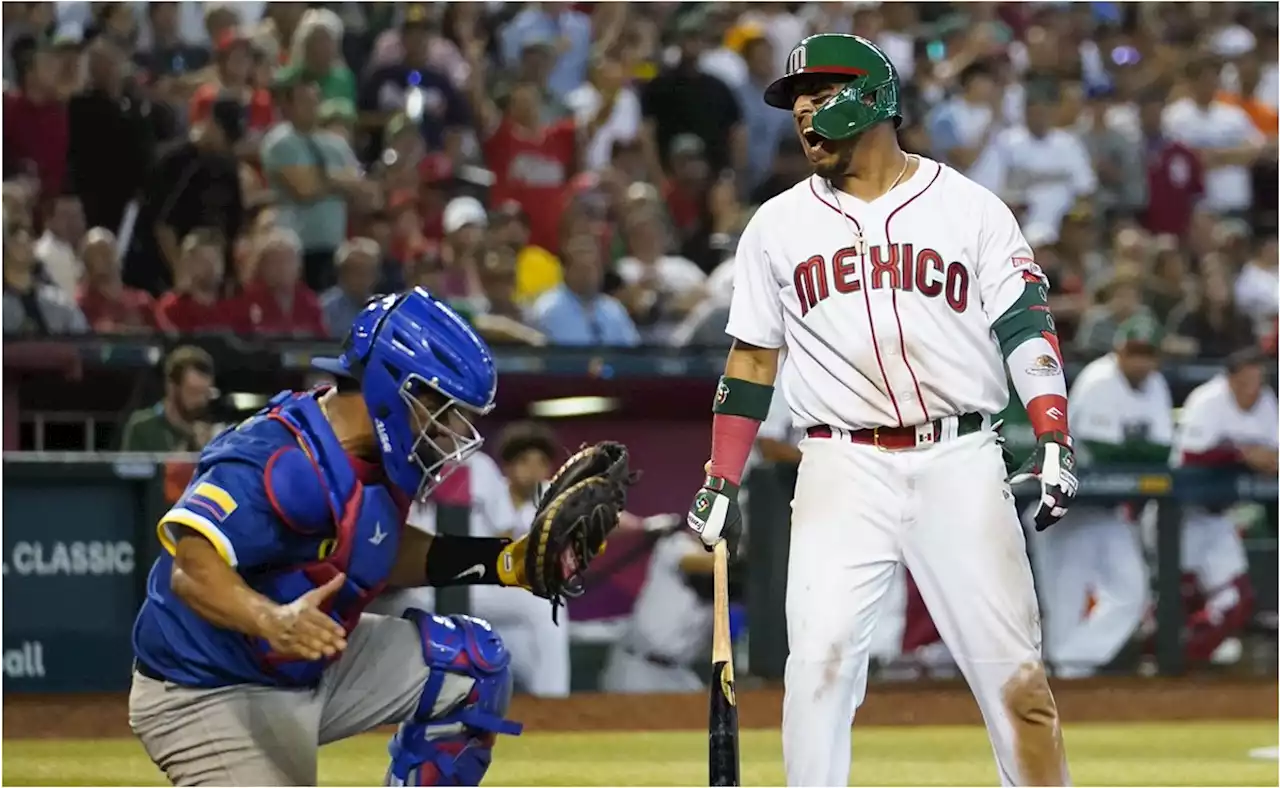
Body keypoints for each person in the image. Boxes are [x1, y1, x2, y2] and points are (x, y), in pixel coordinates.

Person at [683, 34, 1074, 786]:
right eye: (795, 104)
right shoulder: (777, 225)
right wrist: (722, 476)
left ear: (871, 99)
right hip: (840, 464)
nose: (802, 116)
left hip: (960, 457)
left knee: (1016, 682)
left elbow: (1025, 322)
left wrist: (1052, 427)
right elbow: (753, 360)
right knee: (818, 673)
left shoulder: (970, 209)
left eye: (818, 98)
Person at [128, 288, 623, 786]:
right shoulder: (276, 456)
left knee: (473, 667)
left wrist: (505, 563)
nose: (452, 432)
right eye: (444, 409)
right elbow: (191, 569)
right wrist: (269, 618)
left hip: (307, 659)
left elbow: (373, 545)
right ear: (391, 387)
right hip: (206, 687)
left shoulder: (383, 458)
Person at [1031, 317, 1171, 679]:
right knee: (1064, 603)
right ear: (1118, 352)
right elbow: (1099, 449)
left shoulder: (1156, 385)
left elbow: (1162, 450)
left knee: (1132, 593)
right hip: (1063, 509)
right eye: (1133, 353)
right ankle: (1064, 672)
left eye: (1147, 354)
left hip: (1106, 511)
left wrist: (1130, 450)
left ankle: (1068, 664)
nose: (1140, 362)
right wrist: (1134, 450)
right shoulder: (1098, 380)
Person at [1172, 347, 1276, 665]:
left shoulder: (1266, 401)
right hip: (1180, 514)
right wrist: (1240, 454)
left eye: (1258, 378)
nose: (1253, 386)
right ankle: (1156, 660)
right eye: (1245, 379)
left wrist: (1260, 458)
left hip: (1218, 518)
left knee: (1236, 600)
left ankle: (1185, 661)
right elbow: (1191, 457)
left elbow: (1273, 456)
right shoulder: (1208, 400)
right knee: (1180, 596)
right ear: (1230, 378)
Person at [600, 521, 714, 693]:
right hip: (638, 668)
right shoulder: (675, 544)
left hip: (677, 672)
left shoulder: (731, 575)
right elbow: (700, 564)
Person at [120, 345, 217, 453]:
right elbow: (131, 468)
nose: (201, 401)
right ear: (172, 387)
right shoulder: (143, 427)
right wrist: (188, 449)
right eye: (193, 392)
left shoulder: (213, 432)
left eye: (205, 393)